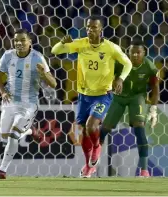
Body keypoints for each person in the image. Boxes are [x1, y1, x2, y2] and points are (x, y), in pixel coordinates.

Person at [51, 15, 133, 178]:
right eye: (88, 27)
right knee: (83, 132)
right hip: (84, 96)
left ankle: (97, 146)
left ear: (101, 29)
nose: (90, 30)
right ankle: (89, 166)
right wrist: (62, 42)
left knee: (91, 126)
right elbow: (55, 51)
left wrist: (120, 78)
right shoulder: (81, 43)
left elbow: (128, 63)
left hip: (103, 94)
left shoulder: (111, 47)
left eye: (94, 27)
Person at [0, 29, 57, 179]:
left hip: (28, 104)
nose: (19, 43)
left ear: (30, 42)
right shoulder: (8, 56)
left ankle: (2, 170)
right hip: (10, 102)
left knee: (13, 135)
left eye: (23, 40)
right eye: (16, 40)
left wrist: (44, 73)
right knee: (4, 138)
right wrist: (2, 91)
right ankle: (29, 131)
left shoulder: (37, 58)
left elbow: (53, 84)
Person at [99, 40, 160, 177]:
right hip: (118, 97)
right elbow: (106, 76)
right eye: (132, 52)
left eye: (138, 52)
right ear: (128, 52)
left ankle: (144, 171)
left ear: (144, 53)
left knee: (139, 127)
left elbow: (156, 88)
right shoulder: (120, 63)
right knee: (105, 129)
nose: (135, 55)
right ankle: (91, 162)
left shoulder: (150, 67)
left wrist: (153, 110)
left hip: (137, 97)